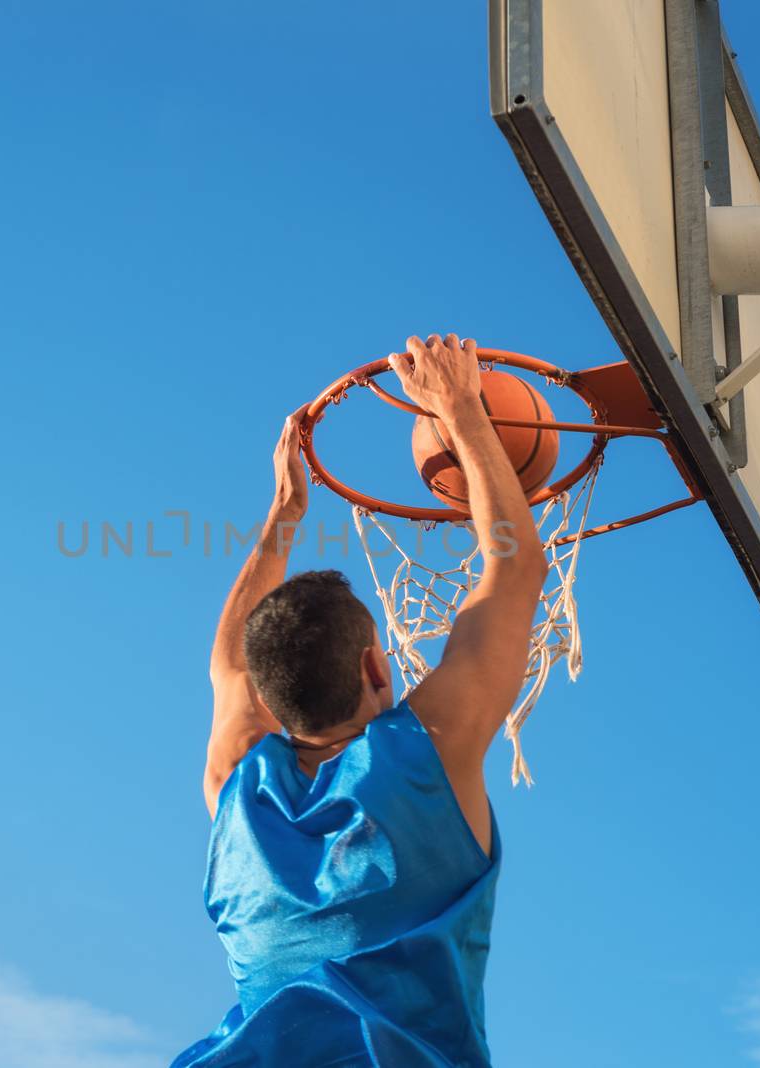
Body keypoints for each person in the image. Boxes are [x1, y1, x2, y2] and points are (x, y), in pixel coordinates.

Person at [173, 335, 547, 1067]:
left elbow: (228, 666)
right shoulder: (423, 755)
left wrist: (285, 509)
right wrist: (462, 411)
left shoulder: (235, 792)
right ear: (380, 667)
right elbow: (519, 565)